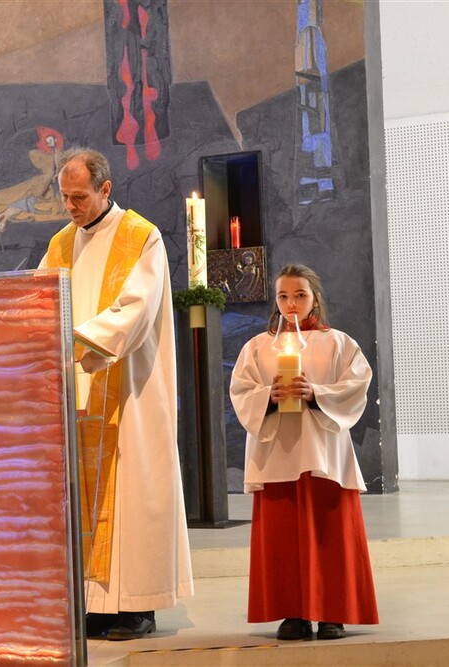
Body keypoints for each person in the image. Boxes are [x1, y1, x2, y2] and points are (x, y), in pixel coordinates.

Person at [38, 148, 194, 641]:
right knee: (83, 502)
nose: (70, 207)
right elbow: (39, 299)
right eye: (64, 197)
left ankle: (138, 607)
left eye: (79, 197)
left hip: (129, 391)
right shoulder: (60, 245)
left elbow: (135, 309)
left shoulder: (140, 237)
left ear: (105, 189)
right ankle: (94, 604)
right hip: (76, 392)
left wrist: (79, 341)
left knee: (131, 495)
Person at [229, 263, 379, 641]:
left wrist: (316, 394)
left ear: (315, 298)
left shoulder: (338, 343)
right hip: (277, 453)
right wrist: (269, 397)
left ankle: (332, 613)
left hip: (324, 453)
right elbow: (241, 392)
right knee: (283, 537)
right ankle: (293, 613)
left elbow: (356, 385)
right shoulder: (258, 346)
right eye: (283, 296)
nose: (291, 304)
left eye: (300, 295)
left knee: (331, 533)